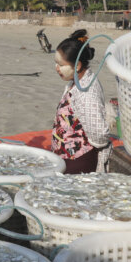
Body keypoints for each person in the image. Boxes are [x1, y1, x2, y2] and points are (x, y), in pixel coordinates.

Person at [50, 30, 111, 173]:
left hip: (78, 161)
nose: (57, 68)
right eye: (56, 63)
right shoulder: (76, 82)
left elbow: (100, 133)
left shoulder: (86, 91)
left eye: (61, 64)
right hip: (67, 156)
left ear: (77, 66)